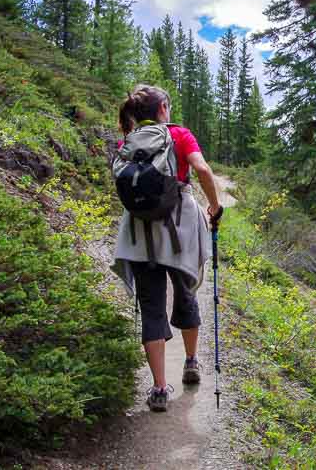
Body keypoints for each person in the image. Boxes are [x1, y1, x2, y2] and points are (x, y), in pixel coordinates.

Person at [111, 84, 222, 412]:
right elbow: (202, 169)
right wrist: (214, 206)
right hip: (178, 228)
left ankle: (159, 388)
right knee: (186, 293)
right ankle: (190, 362)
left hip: (140, 233)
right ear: (163, 109)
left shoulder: (126, 143)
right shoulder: (180, 135)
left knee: (151, 306)